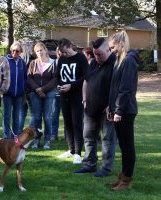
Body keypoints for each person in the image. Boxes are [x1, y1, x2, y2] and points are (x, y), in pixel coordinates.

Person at [74, 38, 117, 176]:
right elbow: (86, 81)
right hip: (90, 108)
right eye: (95, 54)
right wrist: (85, 99)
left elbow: (118, 87)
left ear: (108, 50)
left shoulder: (115, 64)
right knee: (88, 136)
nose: (97, 57)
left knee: (108, 139)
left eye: (99, 54)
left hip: (107, 110)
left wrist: (111, 105)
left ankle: (105, 168)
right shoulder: (93, 63)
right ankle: (90, 164)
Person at [108, 31, 138, 191]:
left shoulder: (128, 61)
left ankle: (126, 181)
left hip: (126, 111)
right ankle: (123, 177)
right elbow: (114, 88)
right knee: (123, 146)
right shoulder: (119, 61)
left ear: (121, 43)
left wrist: (118, 111)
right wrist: (110, 107)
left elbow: (125, 89)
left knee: (128, 146)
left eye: (112, 47)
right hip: (118, 110)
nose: (111, 50)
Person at [56, 38, 88, 164]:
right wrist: (59, 85)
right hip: (64, 95)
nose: (64, 55)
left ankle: (78, 153)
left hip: (76, 95)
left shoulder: (81, 58)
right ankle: (71, 149)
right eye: (62, 52)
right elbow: (57, 76)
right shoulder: (62, 59)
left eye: (65, 52)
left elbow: (85, 77)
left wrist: (72, 86)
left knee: (77, 123)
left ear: (70, 46)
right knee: (67, 123)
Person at [28, 42, 56, 150]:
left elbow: (55, 79)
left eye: (41, 50)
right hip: (35, 93)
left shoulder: (53, 63)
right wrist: (37, 89)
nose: (39, 52)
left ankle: (47, 140)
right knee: (37, 117)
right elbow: (29, 78)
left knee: (47, 118)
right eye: (37, 51)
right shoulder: (33, 63)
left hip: (49, 93)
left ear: (45, 50)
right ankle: (37, 139)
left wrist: (43, 89)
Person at [2, 42, 27, 138]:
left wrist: (23, 87)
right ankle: (6, 136)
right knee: (7, 116)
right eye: (13, 50)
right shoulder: (5, 61)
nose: (14, 52)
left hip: (19, 94)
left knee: (16, 117)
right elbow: (1, 75)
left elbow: (25, 77)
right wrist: (4, 88)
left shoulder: (22, 62)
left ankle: (15, 137)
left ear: (20, 51)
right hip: (8, 93)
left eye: (17, 51)